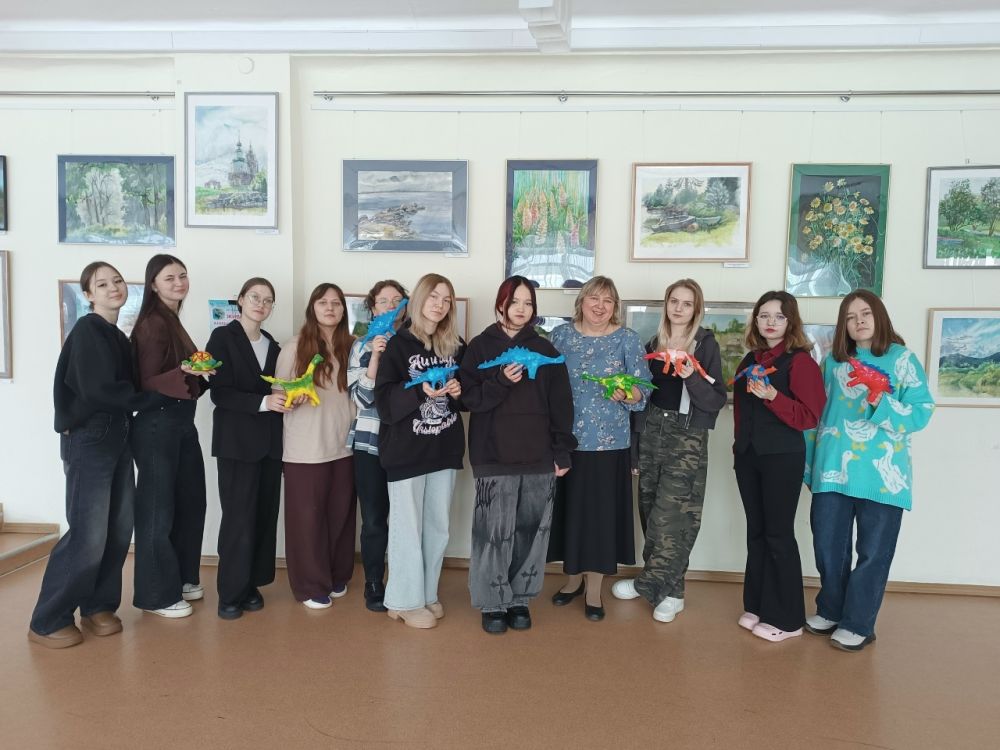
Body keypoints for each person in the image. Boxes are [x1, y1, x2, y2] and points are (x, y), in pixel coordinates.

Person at [28, 262, 166, 648]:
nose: (112, 288)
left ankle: (97, 606)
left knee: (119, 529)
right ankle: (48, 619)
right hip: (90, 438)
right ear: (88, 295)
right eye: (101, 284)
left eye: (117, 281)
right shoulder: (88, 330)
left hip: (117, 434)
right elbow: (100, 390)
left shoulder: (117, 336)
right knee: (88, 533)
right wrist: (153, 399)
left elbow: (128, 385)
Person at [806, 290, 934, 652]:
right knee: (828, 546)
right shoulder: (833, 363)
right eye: (850, 317)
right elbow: (816, 415)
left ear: (879, 316)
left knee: (873, 552)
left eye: (865, 313)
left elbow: (922, 412)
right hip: (832, 468)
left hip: (883, 475)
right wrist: (809, 465)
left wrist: (881, 401)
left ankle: (858, 622)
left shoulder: (902, 359)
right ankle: (831, 609)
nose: (858, 321)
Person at [459, 276, 576, 634]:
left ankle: (520, 599)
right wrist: (501, 382)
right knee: (492, 533)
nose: (521, 309)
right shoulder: (479, 347)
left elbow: (562, 405)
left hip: (539, 457)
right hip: (493, 454)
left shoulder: (546, 350)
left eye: (528, 303)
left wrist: (562, 451)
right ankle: (492, 602)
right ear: (501, 304)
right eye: (515, 302)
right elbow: (468, 400)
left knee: (532, 531)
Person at [611, 279, 727, 622]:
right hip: (651, 432)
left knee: (673, 516)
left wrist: (691, 376)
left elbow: (715, 400)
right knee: (649, 508)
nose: (678, 308)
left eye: (686, 303)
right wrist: (634, 447)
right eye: (674, 301)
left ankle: (665, 589)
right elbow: (642, 397)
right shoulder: (652, 343)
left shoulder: (705, 344)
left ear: (696, 309)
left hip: (686, 436)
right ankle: (661, 582)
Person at [547, 276, 649, 621]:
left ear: (615, 306)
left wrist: (629, 394)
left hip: (609, 444)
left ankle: (593, 589)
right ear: (581, 301)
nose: (600, 306)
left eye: (608, 300)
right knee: (569, 516)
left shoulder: (627, 339)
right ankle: (572, 579)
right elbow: (545, 385)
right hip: (566, 442)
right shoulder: (560, 337)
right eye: (594, 298)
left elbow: (643, 391)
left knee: (599, 520)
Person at [731, 291, 825, 642]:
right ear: (755, 320)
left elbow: (809, 416)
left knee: (778, 534)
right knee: (756, 532)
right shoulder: (749, 360)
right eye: (764, 315)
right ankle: (757, 605)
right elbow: (740, 412)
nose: (770, 322)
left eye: (779, 316)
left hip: (782, 457)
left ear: (791, 322)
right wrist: (740, 448)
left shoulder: (800, 363)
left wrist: (773, 397)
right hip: (749, 456)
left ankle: (787, 619)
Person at [374, 273, 465, 629]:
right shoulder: (397, 345)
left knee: (437, 528)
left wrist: (457, 391)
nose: (440, 305)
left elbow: (467, 398)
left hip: (443, 448)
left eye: (446, 299)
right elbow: (384, 402)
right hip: (406, 452)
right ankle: (403, 601)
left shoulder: (454, 345)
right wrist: (418, 391)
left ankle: (426, 594)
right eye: (433, 297)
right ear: (419, 299)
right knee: (407, 528)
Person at [130, 254, 212, 618]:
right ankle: (156, 594)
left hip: (180, 424)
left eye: (183, 275)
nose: (179, 282)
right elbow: (146, 382)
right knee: (157, 511)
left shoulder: (171, 320)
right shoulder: (152, 323)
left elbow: (181, 374)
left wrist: (199, 373)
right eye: (169, 278)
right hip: (156, 426)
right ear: (153, 284)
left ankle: (181, 578)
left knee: (191, 503)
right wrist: (186, 371)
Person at [206, 278, 288, 620]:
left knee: (264, 517)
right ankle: (230, 592)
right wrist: (264, 403)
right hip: (237, 444)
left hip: (269, 445)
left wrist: (287, 399)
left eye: (268, 300)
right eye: (255, 297)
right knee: (238, 519)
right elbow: (219, 393)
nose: (260, 304)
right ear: (240, 300)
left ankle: (252, 584)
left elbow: (278, 389)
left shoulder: (274, 346)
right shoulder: (222, 338)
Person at [276, 283, 357, 610]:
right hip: (305, 449)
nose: (330, 308)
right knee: (307, 521)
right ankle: (310, 585)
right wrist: (290, 399)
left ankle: (336, 575)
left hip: (345, 446)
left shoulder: (352, 346)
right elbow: (280, 394)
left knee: (341, 516)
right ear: (312, 308)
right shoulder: (295, 347)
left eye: (336, 303)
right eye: (323, 302)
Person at [347, 280, 407, 612]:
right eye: (383, 301)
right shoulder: (360, 346)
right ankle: (373, 582)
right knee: (373, 518)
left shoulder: (413, 343)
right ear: (372, 308)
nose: (390, 306)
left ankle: (404, 580)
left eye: (397, 300)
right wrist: (376, 356)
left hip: (406, 443)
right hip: (369, 442)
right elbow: (362, 399)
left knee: (405, 517)